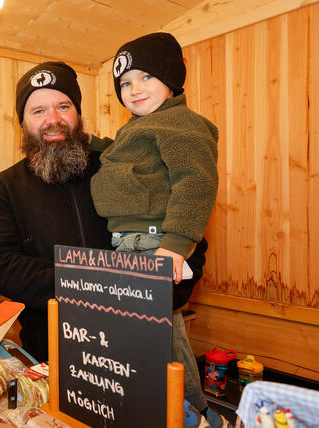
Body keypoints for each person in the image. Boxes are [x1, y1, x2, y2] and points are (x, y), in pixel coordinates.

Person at [0, 60, 207, 361]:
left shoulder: (124, 166)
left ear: (78, 114)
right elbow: (3, 268)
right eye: (38, 111)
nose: (53, 119)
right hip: (51, 355)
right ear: (22, 123)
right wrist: (101, 284)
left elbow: (187, 233)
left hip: (138, 346)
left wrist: (163, 295)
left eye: (63, 106)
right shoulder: (4, 188)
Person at [89, 33, 226, 427]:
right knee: (153, 339)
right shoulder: (140, 128)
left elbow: (196, 182)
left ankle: (195, 415)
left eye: (146, 77)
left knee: (155, 342)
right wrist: (92, 143)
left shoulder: (180, 124)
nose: (134, 90)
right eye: (125, 83)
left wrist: (175, 248)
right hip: (128, 248)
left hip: (151, 246)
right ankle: (185, 412)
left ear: (171, 80)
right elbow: (122, 156)